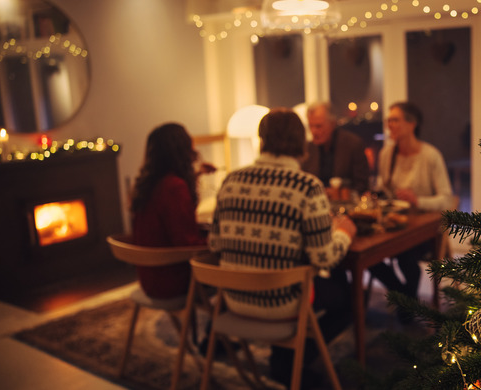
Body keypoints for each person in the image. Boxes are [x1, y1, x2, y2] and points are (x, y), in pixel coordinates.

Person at [208, 108, 357, 388]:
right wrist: (344, 234)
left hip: (234, 298)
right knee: (348, 301)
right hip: (281, 303)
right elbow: (323, 257)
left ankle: (284, 360)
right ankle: (290, 362)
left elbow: (214, 244)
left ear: (262, 141)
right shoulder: (307, 186)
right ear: (301, 144)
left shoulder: (230, 180)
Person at [370, 101, 454, 301]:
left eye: (395, 120)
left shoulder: (430, 156)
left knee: (404, 257)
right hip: (396, 225)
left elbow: (447, 200)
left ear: (412, 124)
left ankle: (405, 303)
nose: (390, 125)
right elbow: (384, 189)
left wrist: (418, 201)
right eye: (388, 120)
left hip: (425, 229)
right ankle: (404, 298)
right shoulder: (386, 154)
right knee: (368, 255)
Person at [130, 122, 214, 299]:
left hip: (150, 278)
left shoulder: (149, 185)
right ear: (182, 150)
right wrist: (216, 242)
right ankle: (218, 321)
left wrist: (197, 174)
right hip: (172, 281)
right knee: (229, 264)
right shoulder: (174, 187)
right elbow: (187, 243)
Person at [302, 101, 371, 195]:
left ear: (332, 124)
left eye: (318, 126)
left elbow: (362, 185)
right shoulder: (308, 149)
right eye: (311, 126)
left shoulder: (353, 144)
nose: (313, 131)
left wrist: (339, 193)